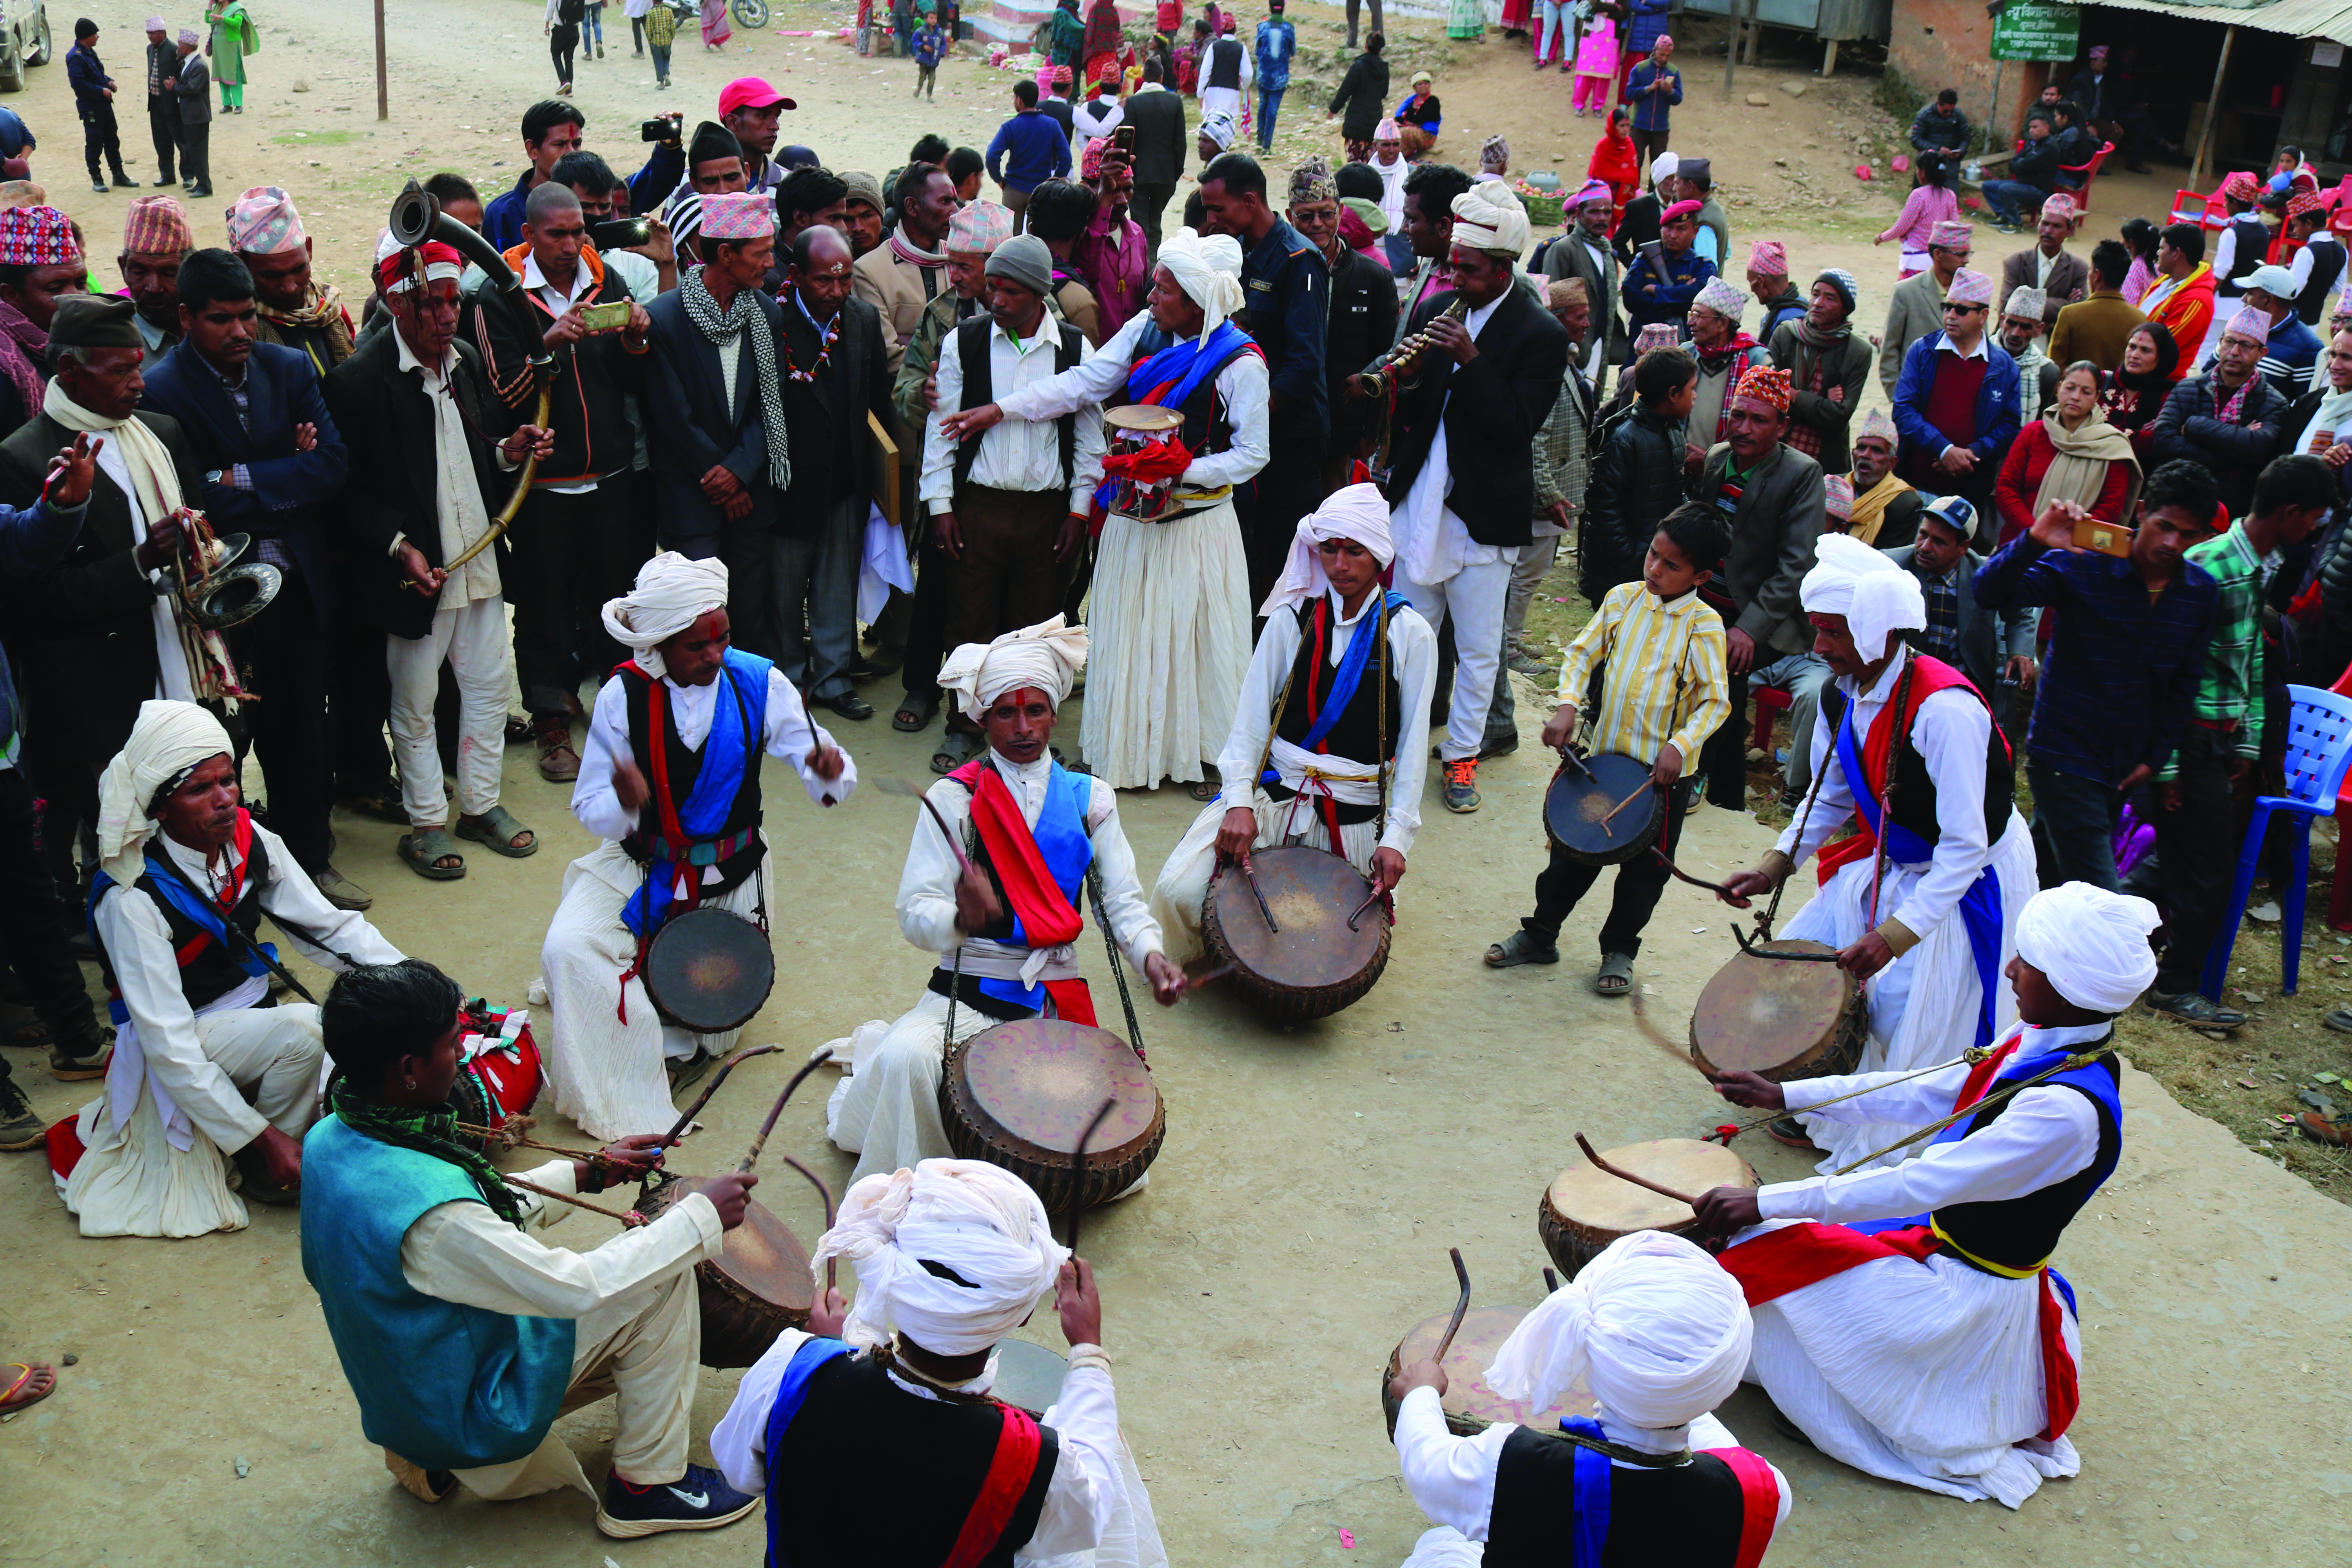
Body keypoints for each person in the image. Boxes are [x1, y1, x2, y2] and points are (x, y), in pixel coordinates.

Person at [1695, 880, 2150, 1505]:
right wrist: (1788, 1093)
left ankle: (1838, 1407)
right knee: (1762, 1255)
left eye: (2030, 964)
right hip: (1938, 1250)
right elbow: (1926, 1089)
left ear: (2072, 987)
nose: (2011, 969)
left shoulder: (2062, 1113)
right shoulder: (2039, 1041)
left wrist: (1770, 1201)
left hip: (1964, 1299)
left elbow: (1920, 1184)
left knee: (1763, 1246)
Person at [303, 959, 762, 1536]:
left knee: (646, 1259)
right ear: (409, 1069)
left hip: (406, 1384)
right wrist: (699, 1218)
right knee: (659, 1274)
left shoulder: (336, 1133)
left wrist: (585, 1173)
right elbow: (571, 1287)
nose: (464, 1056)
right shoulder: (436, 1217)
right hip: (461, 1409)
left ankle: (426, 1451)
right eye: (453, 1045)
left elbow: (474, 1223)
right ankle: (648, 1485)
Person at [1711, 532, 2037, 1166]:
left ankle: (1876, 1120)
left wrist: (1893, 935)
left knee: (1896, 1006)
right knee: (1804, 967)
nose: (1818, 647)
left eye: (1833, 632)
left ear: (1881, 632)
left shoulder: (1945, 711)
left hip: (1967, 879)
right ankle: (1819, 1101)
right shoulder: (1840, 691)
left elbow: (1967, 849)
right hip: (1904, 859)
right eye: (1817, 629)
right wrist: (1775, 863)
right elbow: (1831, 794)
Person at [824, 621, 1183, 1185]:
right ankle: (928, 1192)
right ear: (980, 718)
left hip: (1052, 995)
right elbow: (915, 908)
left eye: (1036, 710)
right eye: (1006, 713)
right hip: (967, 988)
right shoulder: (954, 798)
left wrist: (1150, 955)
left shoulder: (1092, 799)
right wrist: (959, 919)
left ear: (1054, 712)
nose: (1023, 728)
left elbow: (1123, 904)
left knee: (1100, 1127)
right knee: (905, 1058)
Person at [713, 1160, 1166, 1566]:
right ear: (1023, 1311)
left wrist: (830, 1352)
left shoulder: (792, 1366)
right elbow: (1085, 1518)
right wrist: (1089, 1352)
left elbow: (741, 1470)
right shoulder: (1029, 1461)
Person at [65, 701, 407, 1238]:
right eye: (200, 790)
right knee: (306, 1029)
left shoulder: (250, 839)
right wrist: (261, 1138)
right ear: (160, 808)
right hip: (177, 1040)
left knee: (360, 1023)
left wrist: (417, 984)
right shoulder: (131, 898)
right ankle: (266, 1161)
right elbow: (168, 1042)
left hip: (246, 1017)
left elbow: (329, 928)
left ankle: (271, 1122)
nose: (225, 799)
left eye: (228, 780)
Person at [943, 229, 1268, 791]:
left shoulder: (1241, 364)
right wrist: (1003, 409)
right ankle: (1127, 754)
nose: (1150, 298)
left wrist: (1176, 470)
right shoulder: (1146, 333)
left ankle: (1201, 754)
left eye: (1162, 291)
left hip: (1196, 527)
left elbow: (1253, 454)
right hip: (1131, 519)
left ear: (1194, 304)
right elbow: (1084, 384)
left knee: (1192, 639)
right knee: (1128, 632)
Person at [540, 554, 853, 1134]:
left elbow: (827, 780)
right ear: (659, 646)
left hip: (732, 877)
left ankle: (655, 1032)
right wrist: (627, 802)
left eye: (723, 638)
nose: (715, 655)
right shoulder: (622, 697)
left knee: (717, 1023)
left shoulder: (758, 680)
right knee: (567, 949)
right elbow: (592, 810)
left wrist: (826, 769)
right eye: (697, 646)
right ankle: (632, 1061)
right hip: (641, 865)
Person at [139, 250, 366, 912]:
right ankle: (222, 883)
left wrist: (238, 474)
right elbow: (189, 493)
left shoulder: (288, 365)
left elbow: (331, 466)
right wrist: (276, 472)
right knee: (218, 745)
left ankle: (311, 864)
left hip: (293, 584)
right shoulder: (160, 390)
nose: (238, 331)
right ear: (186, 318)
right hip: (214, 598)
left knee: (301, 730)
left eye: (245, 316)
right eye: (220, 320)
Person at [325, 232, 553, 883]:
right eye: (431, 304)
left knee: (486, 691)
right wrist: (400, 547)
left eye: (454, 302)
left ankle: (480, 807)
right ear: (397, 306)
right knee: (416, 704)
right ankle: (426, 821)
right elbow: (346, 492)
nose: (447, 316)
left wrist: (514, 450)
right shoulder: (359, 382)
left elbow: (477, 456)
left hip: (477, 562)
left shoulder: (462, 361)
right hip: (416, 580)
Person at [1389, 1229, 1789, 1566]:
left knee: (1442, 1545)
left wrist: (1421, 1391)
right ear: (1726, 1384)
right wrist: (1661, 1385)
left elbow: (1428, 1463)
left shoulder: (1509, 1465)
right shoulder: (1763, 1490)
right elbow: (1702, 1427)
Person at [1151, 488, 1434, 962]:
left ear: (1379, 556)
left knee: (1331, 943)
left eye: (1354, 551)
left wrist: (1396, 840)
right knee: (1182, 892)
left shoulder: (1409, 634)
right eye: (1329, 549)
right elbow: (1249, 721)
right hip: (1277, 797)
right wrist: (1239, 802)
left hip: (1356, 814)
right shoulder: (1291, 618)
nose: (1340, 564)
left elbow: (1412, 748)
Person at [0, 294, 221, 870]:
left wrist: (201, 552)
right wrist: (141, 562)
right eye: (120, 371)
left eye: (138, 367)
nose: (138, 384)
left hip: (182, 658)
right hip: (95, 693)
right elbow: (39, 602)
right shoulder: (23, 458)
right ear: (70, 372)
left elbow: (203, 534)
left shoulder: (162, 433)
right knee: (120, 845)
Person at [1486, 504, 1730, 989]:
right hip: (1603, 766)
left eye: (1671, 565)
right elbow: (1581, 653)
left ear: (1701, 575)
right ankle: (1540, 935)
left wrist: (1680, 747)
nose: (1655, 569)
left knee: (1643, 877)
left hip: (1661, 782)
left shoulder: (1704, 627)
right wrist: (1567, 706)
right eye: (1653, 555)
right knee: (1571, 855)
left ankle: (1619, 951)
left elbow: (1715, 702)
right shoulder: (1622, 600)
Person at [1382, 182, 1568, 814]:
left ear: (1504, 268)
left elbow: (1517, 424)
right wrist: (1406, 380)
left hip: (1483, 512)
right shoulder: (1448, 308)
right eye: (1453, 265)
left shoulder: (1540, 332)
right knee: (1407, 636)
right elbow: (1424, 407)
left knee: (1480, 650)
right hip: (1423, 499)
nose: (1455, 276)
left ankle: (1461, 757)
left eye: (1469, 269)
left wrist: (1473, 360)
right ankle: (1394, 748)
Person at [2138, 456, 2334, 1026]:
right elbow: (2167, 675)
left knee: (2177, 860)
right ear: (2291, 513)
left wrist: (2246, 751)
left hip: (2219, 745)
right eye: (2314, 518)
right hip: (2188, 741)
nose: (2316, 530)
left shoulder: (2253, 568)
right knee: (2211, 872)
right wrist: (2169, 767)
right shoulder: (2209, 566)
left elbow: (2247, 664)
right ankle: (2175, 987)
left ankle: (2107, 940)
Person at [474, 182, 652, 786]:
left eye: (579, 232)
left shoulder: (609, 283)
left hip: (611, 476)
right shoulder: (499, 299)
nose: (572, 244)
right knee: (545, 607)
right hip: (540, 485)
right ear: (528, 235)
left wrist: (634, 338)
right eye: (557, 234)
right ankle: (551, 720)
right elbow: (502, 398)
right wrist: (545, 348)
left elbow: (631, 379)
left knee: (614, 600)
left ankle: (620, 712)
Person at [1972, 461, 2218, 891]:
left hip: (2124, 766)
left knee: (2040, 876)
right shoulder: (2086, 564)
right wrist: (2033, 540)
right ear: (2142, 512)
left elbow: (2186, 683)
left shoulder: (2199, 592)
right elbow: (1988, 591)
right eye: (2164, 526)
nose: (2171, 542)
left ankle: (1996, 937)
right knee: (2099, 894)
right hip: (2064, 757)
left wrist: (2154, 759)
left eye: (2189, 535)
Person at [919, 234, 1103, 772]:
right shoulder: (967, 343)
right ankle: (963, 728)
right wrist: (941, 507)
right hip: (979, 507)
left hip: (1049, 513)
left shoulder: (1072, 349)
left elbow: (1092, 440)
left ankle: (1033, 739)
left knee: (1038, 628)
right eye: (992, 288)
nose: (995, 300)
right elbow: (941, 430)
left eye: (1010, 291)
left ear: (1040, 295)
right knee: (969, 622)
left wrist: (1079, 511)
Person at [0, 434, 120, 1118]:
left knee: (33, 902)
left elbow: (20, 542)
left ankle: (77, 1037)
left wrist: (62, 504)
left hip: (2, 755)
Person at [641, 192, 789, 663]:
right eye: (761, 251)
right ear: (725, 254)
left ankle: (746, 707)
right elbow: (671, 416)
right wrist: (722, 478)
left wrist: (741, 472)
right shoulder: (666, 317)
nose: (771, 261)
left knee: (748, 612)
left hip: (748, 493)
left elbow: (770, 405)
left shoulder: (765, 312)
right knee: (697, 615)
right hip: (692, 493)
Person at [889, 200, 1016, 737]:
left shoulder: (1043, 316)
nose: (955, 275)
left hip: (1011, 479)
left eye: (967, 266)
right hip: (949, 477)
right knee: (937, 582)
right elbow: (905, 388)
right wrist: (925, 391)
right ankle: (922, 687)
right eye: (952, 263)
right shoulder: (942, 314)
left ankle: (1002, 701)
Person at [1691, 366, 1830, 810]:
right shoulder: (1718, 457)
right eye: (1738, 416)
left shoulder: (1801, 473)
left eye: (1759, 420)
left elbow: (1796, 565)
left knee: (1722, 692)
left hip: (1757, 619)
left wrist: (1749, 629)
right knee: (1720, 707)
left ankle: (1696, 779)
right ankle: (1726, 801)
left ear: (1783, 426)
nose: (1744, 428)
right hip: (1704, 606)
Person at [775, 226, 896, 722]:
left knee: (836, 585)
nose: (838, 291)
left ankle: (832, 680)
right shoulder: (771, 318)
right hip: (786, 486)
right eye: (826, 281)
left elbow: (876, 402)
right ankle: (786, 684)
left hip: (845, 479)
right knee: (782, 594)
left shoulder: (861, 319)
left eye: (845, 280)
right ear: (797, 275)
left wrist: (879, 477)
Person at [1198, 151, 1327, 610]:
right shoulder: (1239, 253)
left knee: (1288, 554)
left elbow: (1304, 361)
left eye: (1219, 209)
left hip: (1288, 434)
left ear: (1250, 201)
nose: (1211, 220)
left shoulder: (1298, 260)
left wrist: (1252, 412)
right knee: (1247, 548)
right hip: (1247, 434)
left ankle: (1291, 659)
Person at [1885, 496, 2035, 738]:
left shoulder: (1986, 574)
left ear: (1963, 548)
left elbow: (2020, 615)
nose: (1924, 547)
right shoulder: (1891, 565)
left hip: (1963, 683)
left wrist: (2021, 652)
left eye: (1939, 542)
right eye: (1923, 534)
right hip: (1903, 680)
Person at [1890, 267, 2022, 534]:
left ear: (1984, 315)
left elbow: (2010, 425)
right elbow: (1903, 410)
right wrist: (1945, 450)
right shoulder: (1923, 351)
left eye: (1961, 310)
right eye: (1947, 307)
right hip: (1914, 486)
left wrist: (1972, 454)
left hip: (1967, 494)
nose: (1950, 315)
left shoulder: (2003, 366)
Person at [1289, 160, 1395, 488]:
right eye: (1306, 216)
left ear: (1341, 210)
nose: (1317, 224)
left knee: (1333, 513)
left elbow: (1385, 356)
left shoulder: (1373, 276)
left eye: (1327, 213)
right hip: (1287, 419)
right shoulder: (1278, 268)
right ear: (1290, 216)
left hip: (1344, 422)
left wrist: (1371, 430)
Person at [2146, 307, 2288, 519]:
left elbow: (2257, 451)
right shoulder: (2188, 388)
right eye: (2229, 342)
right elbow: (2164, 441)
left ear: (2262, 353)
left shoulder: (2273, 403)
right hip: (2175, 498)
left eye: (2246, 345)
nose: (2234, 352)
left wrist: (2195, 426)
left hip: (2232, 509)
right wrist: (2234, 450)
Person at [1579, 338, 1690, 601]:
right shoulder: (1624, 438)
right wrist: (1629, 557)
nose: (1696, 396)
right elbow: (1602, 504)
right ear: (1674, 394)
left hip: (1655, 565)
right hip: (1619, 574)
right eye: (1692, 389)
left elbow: (1674, 492)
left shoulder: (1673, 431)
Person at [1994, 358, 2139, 549]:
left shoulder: (2112, 446)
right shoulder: (2034, 433)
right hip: (2021, 541)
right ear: (2059, 388)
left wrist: (2068, 537)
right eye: (2070, 388)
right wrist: (2036, 531)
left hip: (2076, 551)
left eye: (2086, 392)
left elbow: (2111, 508)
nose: (2076, 396)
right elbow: (2006, 488)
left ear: (2097, 397)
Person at [223, 186, 356, 377]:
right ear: (242, 263)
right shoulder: (240, 332)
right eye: (271, 276)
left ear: (309, 249)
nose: (290, 288)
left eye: (299, 269)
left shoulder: (330, 307)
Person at [1769, 267, 1871, 474]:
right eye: (1816, 294)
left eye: (1830, 298)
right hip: (1777, 449)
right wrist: (1822, 403)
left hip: (1825, 461)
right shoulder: (1786, 335)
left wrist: (1795, 394)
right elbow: (1769, 396)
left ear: (1845, 308)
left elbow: (1838, 418)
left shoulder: (1858, 352)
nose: (1818, 303)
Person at [1543, 178, 1625, 387]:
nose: (1602, 218)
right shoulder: (1564, 250)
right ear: (1579, 214)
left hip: (1599, 345)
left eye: (1607, 213)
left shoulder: (1608, 252)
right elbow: (1550, 305)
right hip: (1573, 349)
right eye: (1595, 212)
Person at [1878, 219, 1971, 400]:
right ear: (1938, 254)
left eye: (1968, 254)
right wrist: (1898, 398)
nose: (1966, 260)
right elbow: (1890, 349)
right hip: (1915, 399)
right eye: (1960, 254)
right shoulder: (1906, 292)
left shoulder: (1972, 294)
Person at [1075, 138, 1152, 337]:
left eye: (1127, 189)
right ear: (1086, 188)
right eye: (1112, 191)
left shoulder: (1137, 235)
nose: (1122, 200)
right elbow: (1089, 273)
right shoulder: (1076, 236)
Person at [1681, 276, 1765, 453]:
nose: (1690, 322)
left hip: (1732, 467)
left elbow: (1763, 427)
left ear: (1722, 324)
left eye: (1698, 316)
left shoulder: (1757, 362)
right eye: (1691, 314)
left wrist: (1712, 460)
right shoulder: (1685, 354)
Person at [1620, 198, 1712, 350]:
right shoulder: (1644, 260)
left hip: (1684, 346)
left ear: (1695, 232)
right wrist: (1674, 304)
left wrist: (1656, 292)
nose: (1673, 235)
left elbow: (1698, 297)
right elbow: (1631, 298)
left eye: (1681, 229)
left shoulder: (1702, 265)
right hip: (1642, 346)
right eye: (1669, 228)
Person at [2049, 238, 2144, 373]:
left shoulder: (2071, 314)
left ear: (2098, 275)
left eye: (2091, 270)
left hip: (2077, 392)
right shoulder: (2140, 319)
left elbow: (2056, 366)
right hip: (2117, 394)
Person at [2135, 222, 2216, 381]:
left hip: (2155, 384)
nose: (2157, 253)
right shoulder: (2164, 281)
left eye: (2162, 248)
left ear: (2176, 254)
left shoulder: (2196, 301)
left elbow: (2160, 348)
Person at [1124, 56, 1188, 256]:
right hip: (1165, 173)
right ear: (1161, 78)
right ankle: (1153, 262)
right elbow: (1180, 142)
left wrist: (1127, 171)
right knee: (1156, 220)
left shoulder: (1133, 102)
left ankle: (1141, 263)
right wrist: (1176, 172)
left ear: (1143, 78)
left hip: (1139, 173)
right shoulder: (1175, 101)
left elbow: (1129, 140)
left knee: (1140, 222)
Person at [68, 19, 137, 196]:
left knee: (112, 140)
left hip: (103, 106)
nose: (97, 37)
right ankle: (96, 178)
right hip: (91, 107)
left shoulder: (89, 52)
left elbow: (96, 74)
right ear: (86, 36)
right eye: (95, 34)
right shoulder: (76, 56)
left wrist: (108, 81)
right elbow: (79, 84)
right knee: (95, 143)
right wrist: (101, 91)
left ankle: (118, 174)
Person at [987, 81, 1071, 223]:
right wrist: (1055, 181)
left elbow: (992, 156)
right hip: (1041, 192)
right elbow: (1066, 158)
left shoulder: (1010, 127)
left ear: (1019, 101)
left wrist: (999, 179)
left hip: (1014, 189)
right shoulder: (1052, 125)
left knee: (1010, 239)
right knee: (1037, 239)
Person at [2000, 192, 2088, 328]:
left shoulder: (2078, 268)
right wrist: (2065, 304)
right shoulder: (2015, 262)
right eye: (2045, 224)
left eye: (2057, 226)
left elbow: (2079, 313)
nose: (2048, 231)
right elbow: (2007, 306)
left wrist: (2025, 300)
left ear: (2070, 231)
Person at [2098, 319, 2178, 452]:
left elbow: (2157, 441)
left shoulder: (2170, 396)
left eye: (2145, 350)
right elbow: (2078, 424)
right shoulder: (2102, 381)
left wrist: (2099, 432)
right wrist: (2137, 434)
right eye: (2132, 347)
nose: (2134, 355)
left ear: (2162, 358)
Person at [1877, 152, 1958, 281]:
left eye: (1917, 169)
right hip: (1939, 260)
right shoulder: (1950, 196)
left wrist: (1882, 238)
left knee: (1909, 297)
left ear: (1924, 172)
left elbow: (1902, 227)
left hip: (1916, 260)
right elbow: (1954, 227)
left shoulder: (1919, 196)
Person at [1979, 113, 2059, 237]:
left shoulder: (2050, 147)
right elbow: (2014, 162)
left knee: (2006, 189)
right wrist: (2021, 165)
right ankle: (2004, 215)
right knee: (1988, 186)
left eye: (2036, 127)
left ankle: (2016, 223)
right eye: (2031, 127)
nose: (2032, 131)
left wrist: (2021, 165)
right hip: (2023, 184)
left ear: (2046, 128)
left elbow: (2028, 164)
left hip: (2039, 190)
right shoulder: (2032, 143)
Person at [1996, 285, 2058, 417]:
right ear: (2002, 321)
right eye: (2011, 323)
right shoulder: (1980, 356)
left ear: (2039, 330)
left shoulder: (2046, 372)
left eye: (2025, 327)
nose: (2016, 333)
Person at [1622, 33, 1678, 170]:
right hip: (1639, 126)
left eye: (1668, 56)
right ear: (1654, 52)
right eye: (1662, 55)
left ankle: (1655, 192)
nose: (1664, 59)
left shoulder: (1674, 71)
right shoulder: (1640, 69)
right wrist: (1649, 88)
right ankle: (1633, 191)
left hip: (1661, 128)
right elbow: (1629, 94)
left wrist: (1670, 91)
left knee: (1659, 168)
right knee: (1634, 165)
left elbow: (1678, 99)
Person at [1327, 31, 1389, 151]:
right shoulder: (1384, 69)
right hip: (1375, 121)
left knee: (1354, 165)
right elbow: (1384, 93)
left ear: (1366, 46)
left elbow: (1345, 91)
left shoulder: (1359, 66)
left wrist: (1333, 110)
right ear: (1380, 49)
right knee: (1369, 163)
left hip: (1356, 122)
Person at [169, 28, 212, 200]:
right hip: (191, 116)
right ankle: (200, 184)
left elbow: (192, 89)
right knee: (194, 152)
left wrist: (175, 87)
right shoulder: (191, 63)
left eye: (180, 45)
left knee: (199, 152)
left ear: (186, 47)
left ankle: (205, 186)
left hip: (198, 117)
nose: (178, 47)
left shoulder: (199, 66)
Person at [142, 18, 180, 191]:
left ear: (163, 33)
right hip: (155, 101)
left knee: (180, 140)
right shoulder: (150, 49)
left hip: (172, 102)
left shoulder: (174, 50)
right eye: (149, 34)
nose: (151, 37)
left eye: (154, 34)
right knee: (161, 141)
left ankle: (187, 175)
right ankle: (167, 175)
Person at [1253, 0, 1295, 150]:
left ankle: (1260, 137)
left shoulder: (1262, 27)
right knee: (1272, 111)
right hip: (1280, 77)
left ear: (1270, 8)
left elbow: (1257, 51)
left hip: (1263, 75)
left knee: (1263, 106)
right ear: (1283, 9)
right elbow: (1293, 51)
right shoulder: (1289, 29)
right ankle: (1267, 146)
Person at [1675, 157, 1728, 271]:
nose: (1675, 189)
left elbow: (1707, 268)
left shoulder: (1704, 221)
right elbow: (1727, 253)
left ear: (1690, 186)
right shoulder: (1713, 208)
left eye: (1677, 184)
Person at [1746, 241, 1804, 344]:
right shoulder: (1798, 305)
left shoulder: (1790, 321)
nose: (1752, 289)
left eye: (1751, 281)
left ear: (1761, 282)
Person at [1200, 16, 1252, 131]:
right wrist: (1244, 86)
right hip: (1231, 91)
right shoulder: (1241, 49)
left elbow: (1205, 72)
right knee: (1226, 126)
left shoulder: (1213, 47)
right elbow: (1248, 75)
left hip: (1212, 91)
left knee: (1209, 125)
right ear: (1235, 29)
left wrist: (1200, 93)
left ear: (1222, 29)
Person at [1570, 1, 1621, 111]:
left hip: (1611, 38)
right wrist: (1615, 8)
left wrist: (1607, 14)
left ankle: (1598, 106)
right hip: (1591, 34)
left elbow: (1624, 14)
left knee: (1604, 74)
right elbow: (1595, 4)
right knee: (1585, 71)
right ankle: (1579, 104)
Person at [205, 0, 252, 113]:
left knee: (233, 73)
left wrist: (223, 19)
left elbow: (238, 24)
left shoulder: (237, 8)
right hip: (218, 46)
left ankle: (238, 104)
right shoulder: (217, 7)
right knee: (221, 73)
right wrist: (210, 5)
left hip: (231, 45)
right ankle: (227, 104)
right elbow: (208, 20)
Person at [1909, 88, 1969, 161]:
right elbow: (1916, 140)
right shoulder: (1924, 115)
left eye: (1952, 111)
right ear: (1939, 103)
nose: (1949, 114)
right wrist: (1938, 149)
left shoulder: (1958, 115)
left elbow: (1965, 137)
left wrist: (1961, 151)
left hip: (1951, 158)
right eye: (1946, 111)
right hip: (1930, 156)